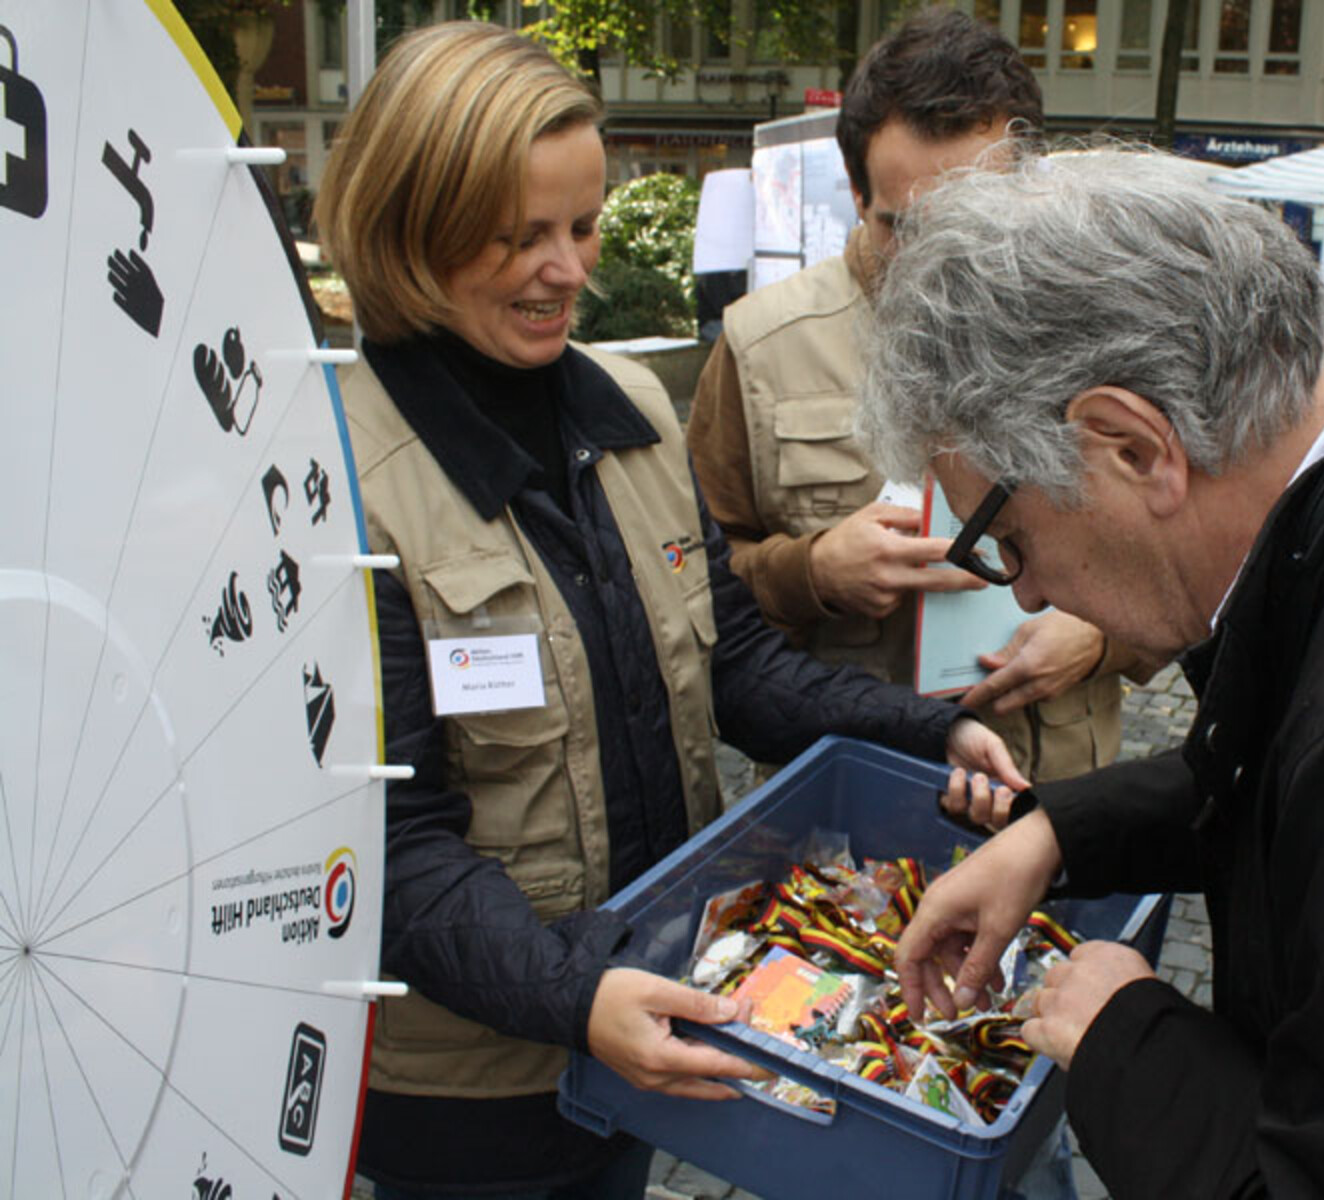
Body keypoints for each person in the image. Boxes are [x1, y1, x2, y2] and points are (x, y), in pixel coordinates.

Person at [313, 23, 1027, 1199]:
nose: (567, 271)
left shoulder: (633, 408)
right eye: (516, 238)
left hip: (649, 1016)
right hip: (467, 1091)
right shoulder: (341, 477)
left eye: (582, 226)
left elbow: (731, 660)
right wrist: (574, 994)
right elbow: (389, 849)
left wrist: (927, 729)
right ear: (408, 229)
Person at [858, 146, 1324, 1197]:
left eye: (1004, 534)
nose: (1020, 593)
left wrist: (1126, 1034)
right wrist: (1063, 828)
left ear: (1131, 448)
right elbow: (1295, 739)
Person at [688, 9, 1142, 804]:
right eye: (909, 226)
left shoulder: (1106, 330)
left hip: (1060, 793)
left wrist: (1103, 636)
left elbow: (1188, 545)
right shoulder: (762, 344)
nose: (942, 260)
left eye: (977, 221)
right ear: (858, 195)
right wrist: (812, 573)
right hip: (853, 796)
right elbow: (689, 587)